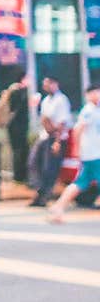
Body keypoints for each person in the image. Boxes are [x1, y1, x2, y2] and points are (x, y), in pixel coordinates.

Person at [48, 84, 100, 222]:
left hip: (93, 154)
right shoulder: (88, 110)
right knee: (80, 183)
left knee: (80, 183)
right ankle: (58, 207)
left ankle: (58, 207)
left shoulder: (95, 110)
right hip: (93, 154)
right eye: (93, 93)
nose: (96, 95)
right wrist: (77, 149)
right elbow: (78, 129)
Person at [28, 75, 73, 207]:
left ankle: (44, 197)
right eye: (44, 84)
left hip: (56, 138)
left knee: (50, 169)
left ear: (55, 84)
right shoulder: (46, 100)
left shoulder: (61, 100)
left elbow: (62, 123)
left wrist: (57, 141)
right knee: (33, 163)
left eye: (48, 84)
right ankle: (39, 191)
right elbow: (44, 119)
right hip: (44, 136)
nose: (46, 86)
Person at [0, 69, 30, 184]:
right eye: (28, 78)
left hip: (13, 126)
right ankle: (19, 176)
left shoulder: (14, 90)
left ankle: (19, 175)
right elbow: (18, 109)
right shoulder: (18, 91)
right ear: (23, 79)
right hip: (17, 127)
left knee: (19, 150)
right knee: (19, 150)